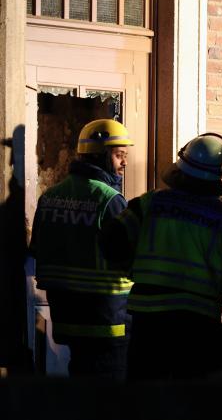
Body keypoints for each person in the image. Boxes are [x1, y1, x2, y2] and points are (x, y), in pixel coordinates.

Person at [100, 133, 222, 380]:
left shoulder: (149, 203)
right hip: (199, 322)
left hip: (149, 320)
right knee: (192, 399)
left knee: (147, 394)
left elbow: (111, 237)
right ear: (219, 174)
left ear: (181, 167)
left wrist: (127, 268)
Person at [29, 118, 134, 379]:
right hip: (107, 319)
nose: (124, 163)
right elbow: (131, 257)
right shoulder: (110, 200)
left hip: (67, 317)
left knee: (81, 383)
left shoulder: (50, 197)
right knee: (109, 398)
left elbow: (36, 249)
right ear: (99, 155)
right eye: (119, 155)